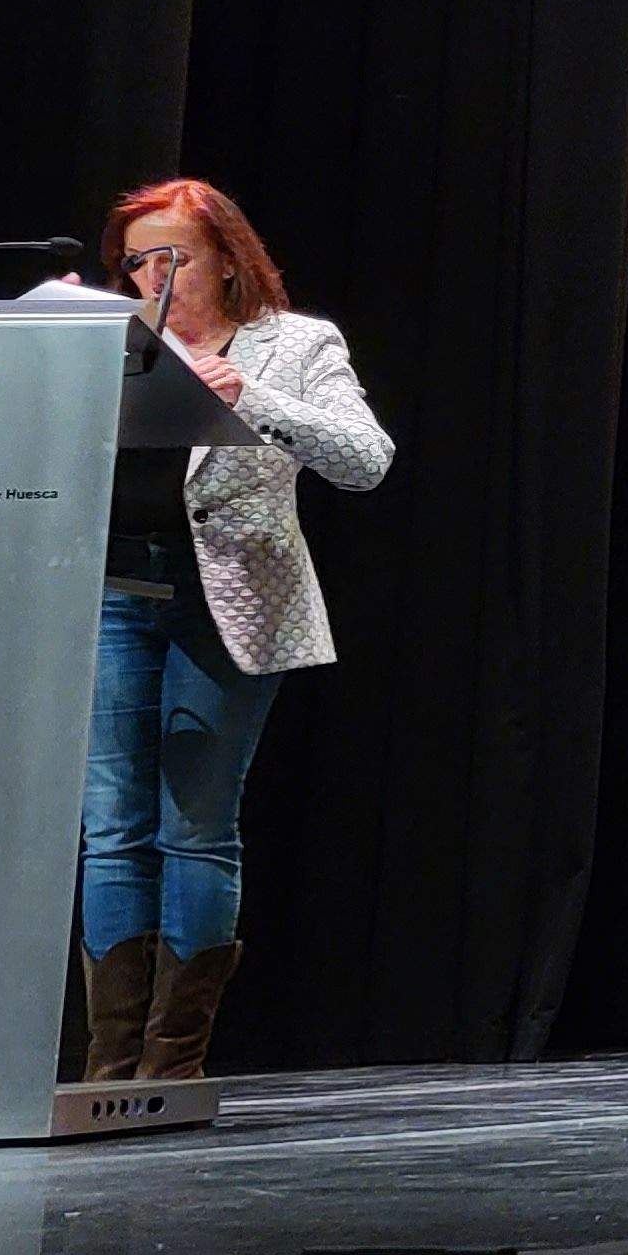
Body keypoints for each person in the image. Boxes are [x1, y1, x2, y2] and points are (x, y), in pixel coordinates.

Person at [79, 178, 396, 1083]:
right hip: (114, 590)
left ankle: (170, 1069)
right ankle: (108, 1070)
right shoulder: (104, 349)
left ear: (225, 258)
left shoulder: (295, 345)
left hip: (233, 603)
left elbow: (366, 462)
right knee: (111, 828)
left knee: (194, 826)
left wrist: (248, 393)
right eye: (136, 260)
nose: (153, 275)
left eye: (171, 255)